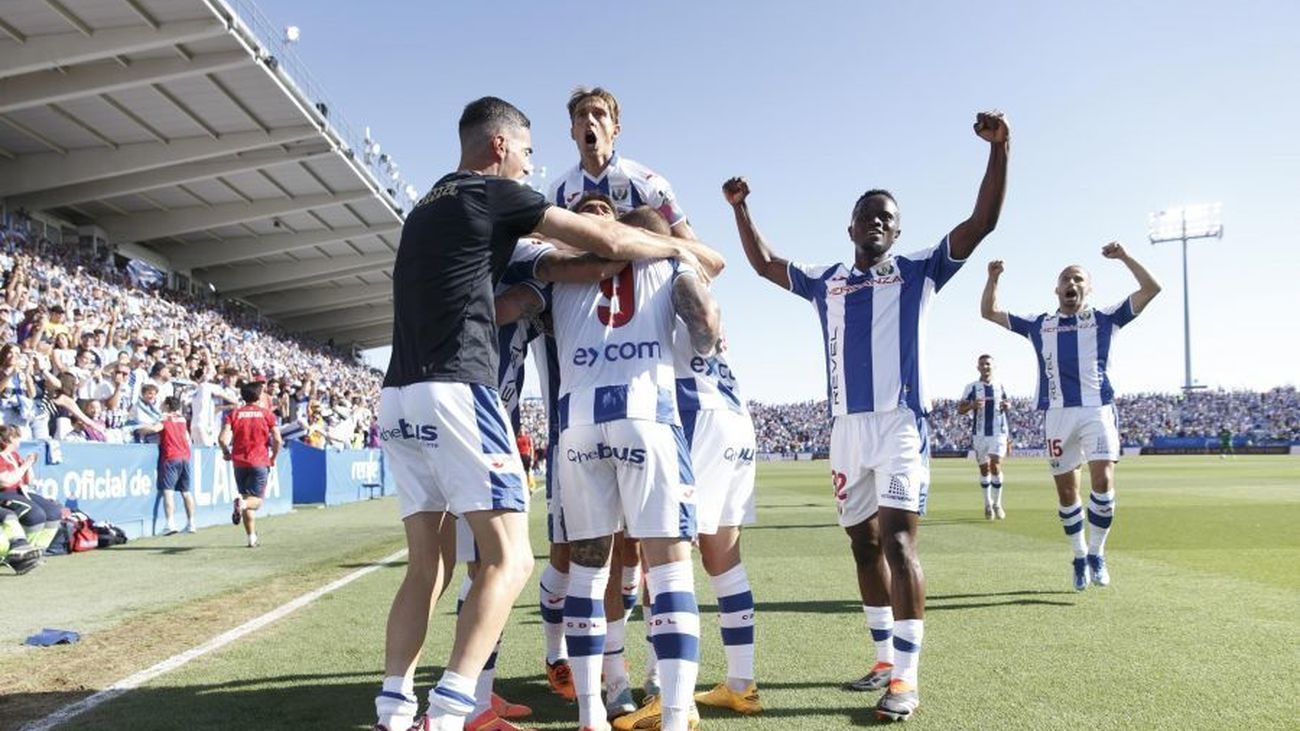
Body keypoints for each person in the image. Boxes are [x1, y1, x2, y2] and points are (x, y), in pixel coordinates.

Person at [372, 96, 710, 731]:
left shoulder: (425, 205)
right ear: (500, 145)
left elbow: (556, 270)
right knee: (512, 560)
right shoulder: (493, 194)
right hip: (457, 389)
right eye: (527, 153)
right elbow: (603, 244)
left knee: (429, 566)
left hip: (397, 395)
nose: (530, 168)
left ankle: (393, 709)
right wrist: (672, 247)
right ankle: (450, 713)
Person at [723, 109, 1009, 722]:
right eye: (870, 214)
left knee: (901, 544)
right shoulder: (826, 281)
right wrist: (741, 210)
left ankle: (906, 680)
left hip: (901, 424)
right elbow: (767, 265)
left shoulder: (919, 272)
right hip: (845, 431)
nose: (879, 222)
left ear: (897, 232)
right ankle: (883, 658)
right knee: (862, 544)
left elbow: (982, 221)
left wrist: (1000, 149)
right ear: (851, 225)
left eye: (890, 218)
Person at [546, 205, 720, 731]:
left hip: (577, 425)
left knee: (588, 571)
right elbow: (706, 326)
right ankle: (671, 717)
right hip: (646, 416)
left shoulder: (560, 269)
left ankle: (591, 715)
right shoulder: (667, 260)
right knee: (668, 571)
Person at [980, 243, 1161, 591]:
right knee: (1067, 492)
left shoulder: (1106, 319)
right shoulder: (1039, 324)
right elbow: (989, 311)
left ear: (1088, 289)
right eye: (1066, 279)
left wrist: (1124, 257)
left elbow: (1152, 288)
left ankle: (1097, 552)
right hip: (1058, 415)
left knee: (1103, 482)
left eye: (1079, 279)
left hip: (1097, 409)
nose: (1072, 284)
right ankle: (1078, 555)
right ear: (1057, 289)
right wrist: (993, 278)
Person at [549, 87, 696, 239]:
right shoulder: (558, 191)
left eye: (599, 114)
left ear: (615, 130)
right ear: (572, 132)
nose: (590, 120)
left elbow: (688, 241)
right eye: (581, 115)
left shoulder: (649, 182)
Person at [218, 381, 281, 548]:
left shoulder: (234, 414)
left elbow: (222, 438)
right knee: (255, 502)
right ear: (259, 396)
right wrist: (273, 456)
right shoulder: (266, 414)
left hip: (239, 462)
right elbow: (278, 439)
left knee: (247, 498)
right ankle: (242, 505)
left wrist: (225, 452)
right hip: (259, 461)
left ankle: (251, 538)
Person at [0, 425, 60, 571]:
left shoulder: (14, 455)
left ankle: (37, 551)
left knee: (53, 512)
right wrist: (26, 464)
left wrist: (28, 465)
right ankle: (21, 554)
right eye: (17, 437)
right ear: (10, 439)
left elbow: (28, 481)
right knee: (35, 515)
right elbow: (5, 481)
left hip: (21, 491)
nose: (19, 440)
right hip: (4, 493)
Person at [957, 355, 1011, 519]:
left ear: (993, 367)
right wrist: (972, 405)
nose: (985, 367)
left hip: (998, 432)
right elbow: (960, 409)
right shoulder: (971, 387)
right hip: (979, 434)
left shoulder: (1000, 385)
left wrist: (1007, 405)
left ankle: (997, 504)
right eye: (982, 364)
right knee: (984, 469)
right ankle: (987, 504)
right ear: (978, 367)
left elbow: (1007, 403)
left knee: (995, 465)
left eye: (988, 364)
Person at [137, 396, 196, 535]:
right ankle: (191, 523)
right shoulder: (182, 420)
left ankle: (170, 524)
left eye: (163, 403)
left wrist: (139, 429)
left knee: (168, 491)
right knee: (186, 492)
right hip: (185, 457)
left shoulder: (165, 419)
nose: (161, 406)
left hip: (171, 457)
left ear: (168, 405)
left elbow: (154, 429)